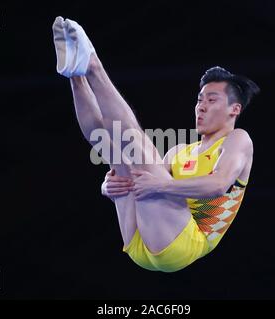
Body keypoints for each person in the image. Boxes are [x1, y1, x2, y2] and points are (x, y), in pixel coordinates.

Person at [52, 16, 260, 272]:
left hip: (186, 245)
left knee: (137, 145)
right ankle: (76, 75)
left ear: (234, 109)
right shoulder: (177, 153)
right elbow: (144, 188)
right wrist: (109, 186)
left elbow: (218, 186)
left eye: (212, 100)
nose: (201, 107)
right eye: (199, 100)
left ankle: (93, 64)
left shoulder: (238, 140)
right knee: (112, 149)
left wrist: (163, 183)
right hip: (140, 243)